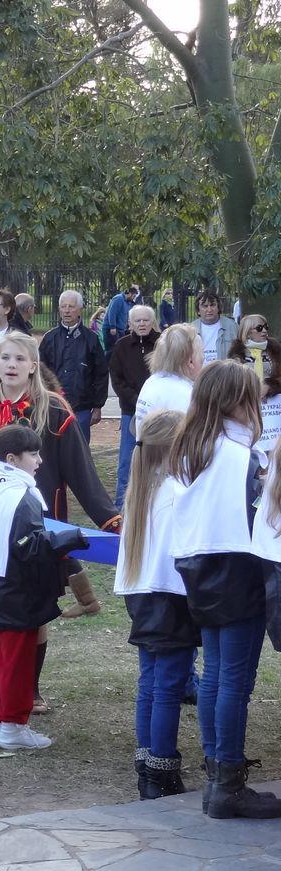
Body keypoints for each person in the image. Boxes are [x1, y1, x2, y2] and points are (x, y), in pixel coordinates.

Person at [0, 331, 120, 710]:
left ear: (33, 366)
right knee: (5, 609)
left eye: (19, 359)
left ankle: (29, 690)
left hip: (36, 525)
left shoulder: (54, 410)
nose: (11, 365)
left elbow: (82, 472)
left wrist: (111, 521)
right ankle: (6, 690)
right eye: (5, 358)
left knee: (34, 609)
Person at [170, 361, 280, 819]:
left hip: (197, 564)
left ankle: (218, 775)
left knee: (216, 674)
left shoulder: (191, 447)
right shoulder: (242, 456)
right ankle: (228, 782)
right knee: (234, 679)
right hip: (236, 564)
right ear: (238, 401)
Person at [0, 424, 86, 750]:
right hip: (15, 588)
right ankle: (12, 726)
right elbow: (29, 546)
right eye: (34, 454)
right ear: (12, 459)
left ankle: (3, 720)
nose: (40, 461)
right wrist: (71, 538)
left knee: (4, 657)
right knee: (17, 661)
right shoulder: (20, 495)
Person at [114, 409, 197, 798]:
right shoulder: (176, 493)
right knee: (168, 686)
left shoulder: (140, 492)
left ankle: (148, 764)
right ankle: (161, 768)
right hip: (171, 597)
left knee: (150, 682)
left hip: (143, 595)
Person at [38, 290, 108, 443]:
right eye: (63, 306)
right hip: (53, 406)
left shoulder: (91, 339)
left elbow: (101, 373)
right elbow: (40, 372)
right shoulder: (49, 338)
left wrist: (98, 406)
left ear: (80, 309)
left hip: (82, 407)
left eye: (71, 306)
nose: (67, 310)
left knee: (79, 448)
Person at [109, 304, 160, 506]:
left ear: (152, 321)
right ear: (130, 323)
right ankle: (122, 506)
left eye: (146, 320)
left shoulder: (162, 344)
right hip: (131, 411)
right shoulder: (121, 346)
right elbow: (117, 378)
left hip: (158, 411)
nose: (142, 324)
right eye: (137, 320)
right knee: (127, 461)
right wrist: (138, 401)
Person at [133, 324, 203, 434]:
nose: (203, 358)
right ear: (190, 361)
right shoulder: (182, 393)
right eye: (201, 354)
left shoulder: (153, 381)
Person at [229, 318, 281, 453]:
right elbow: (232, 381)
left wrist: (270, 386)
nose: (264, 331)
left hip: (273, 409)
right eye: (259, 328)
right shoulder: (236, 354)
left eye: (265, 327)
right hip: (246, 406)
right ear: (247, 332)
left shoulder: (275, 350)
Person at [193, 292, 238, 365]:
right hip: (199, 371)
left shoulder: (232, 326)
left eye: (212, 305)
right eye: (205, 306)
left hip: (225, 370)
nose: (209, 309)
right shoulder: (191, 329)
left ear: (218, 308)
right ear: (198, 311)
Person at [104, 285, 139, 352]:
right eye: (134, 296)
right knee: (111, 350)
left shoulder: (128, 303)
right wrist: (112, 327)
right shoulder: (118, 299)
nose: (134, 298)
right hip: (111, 329)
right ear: (130, 293)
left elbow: (126, 316)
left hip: (120, 330)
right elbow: (112, 313)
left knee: (119, 350)